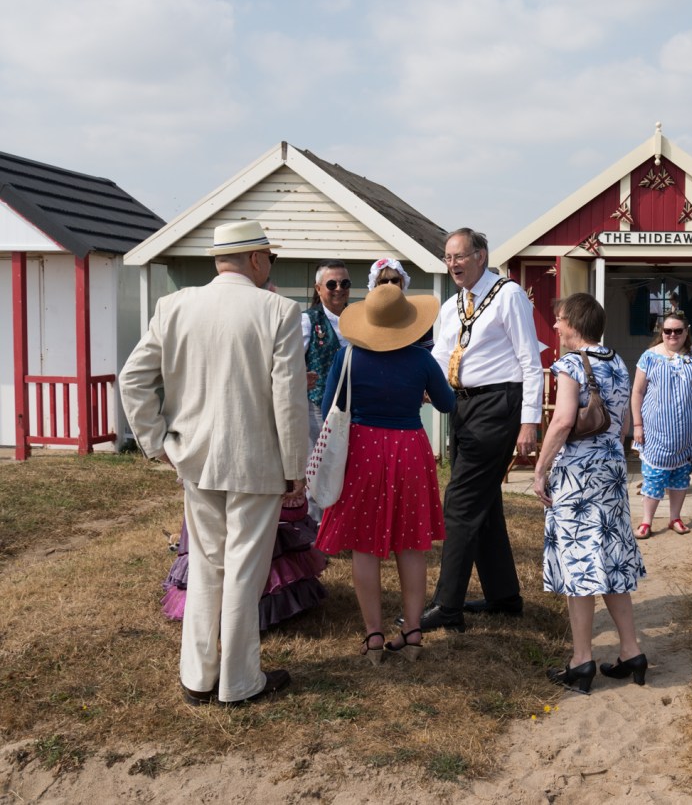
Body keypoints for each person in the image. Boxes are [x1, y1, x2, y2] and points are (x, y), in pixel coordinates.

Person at [119, 220, 307, 706]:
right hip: (258, 461)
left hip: (195, 457)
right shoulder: (279, 310)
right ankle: (240, 681)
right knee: (245, 570)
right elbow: (286, 398)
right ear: (256, 259)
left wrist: (156, 440)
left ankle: (198, 677)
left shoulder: (175, 306)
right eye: (270, 257)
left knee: (206, 566)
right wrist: (295, 468)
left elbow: (133, 380)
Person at [313, 283, 456, 663]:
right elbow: (447, 403)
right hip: (409, 447)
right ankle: (412, 633)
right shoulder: (422, 360)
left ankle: (374, 636)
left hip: (361, 450)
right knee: (411, 544)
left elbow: (330, 407)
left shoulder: (347, 358)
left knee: (364, 544)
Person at [420, 228, 542, 632]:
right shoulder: (452, 305)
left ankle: (447, 605)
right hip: (463, 405)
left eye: (459, 256)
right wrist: (421, 386)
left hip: (497, 403)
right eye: (447, 258)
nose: (452, 264)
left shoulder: (508, 295)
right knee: (484, 505)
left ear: (481, 256)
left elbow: (529, 359)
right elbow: (439, 355)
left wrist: (529, 420)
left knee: (460, 503)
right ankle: (504, 597)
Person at [534, 293, 646, 693]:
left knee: (579, 562)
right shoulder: (617, 360)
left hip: (579, 474)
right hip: (611, 470)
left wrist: (540, 468)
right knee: (611, 558)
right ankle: (631, 650)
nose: (556, 326)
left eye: (560, 319)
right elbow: (624, 421)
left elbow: (563, 420)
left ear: (576, 322)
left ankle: (582, 660)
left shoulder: (569, 364)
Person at [161, 491, 328, 629]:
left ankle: (218, 613)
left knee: (219, 536)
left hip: (207, 472)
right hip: (245, 473)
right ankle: (226, 612)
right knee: (236, 534)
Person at [630, 310, 692, 538]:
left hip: (689, 435)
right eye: (667, 330)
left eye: (678, 330)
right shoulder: (649, 356)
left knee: (680, 477)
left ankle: (675, 518)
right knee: (654, 478)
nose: (672, 335)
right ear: (662, 332)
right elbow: (637, 392)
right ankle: (647, 522)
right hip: (656, 435)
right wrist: (637, 425)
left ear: (686, 332)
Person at [303, 260, 351, 447]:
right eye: (332, 284)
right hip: (318, 409)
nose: (339, 288)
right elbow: (291, 363)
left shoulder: (359, 319)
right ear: (318, 288)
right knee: (320, 468)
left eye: (344, 283)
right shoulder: (307, 320)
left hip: (354, 407)